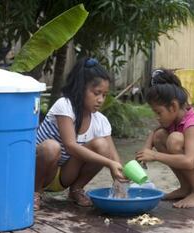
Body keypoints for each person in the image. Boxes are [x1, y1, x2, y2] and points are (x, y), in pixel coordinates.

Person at [34, 57, 126, 210]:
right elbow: (70, 146)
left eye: (104, 95)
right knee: (52, 147)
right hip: (37, 173)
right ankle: (34, 193)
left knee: (102, 146)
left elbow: (113, 157)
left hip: (64, 176)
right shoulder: (64, 106)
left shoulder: (100, 121)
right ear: (82, 87)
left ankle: (76, 189)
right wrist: (109, 163)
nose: (101, 100)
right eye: (97, 93)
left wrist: (120, 182)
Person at [135, 69, 194, 208]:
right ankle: (186, 188)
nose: (156, 117)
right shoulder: (177, 120)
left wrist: (155, 155)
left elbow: (188, 161)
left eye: (158, 112)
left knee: (175, 140)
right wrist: (147, 147)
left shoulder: (193, 124)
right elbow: (156, 132)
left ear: (173, 106)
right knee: (160, 136)